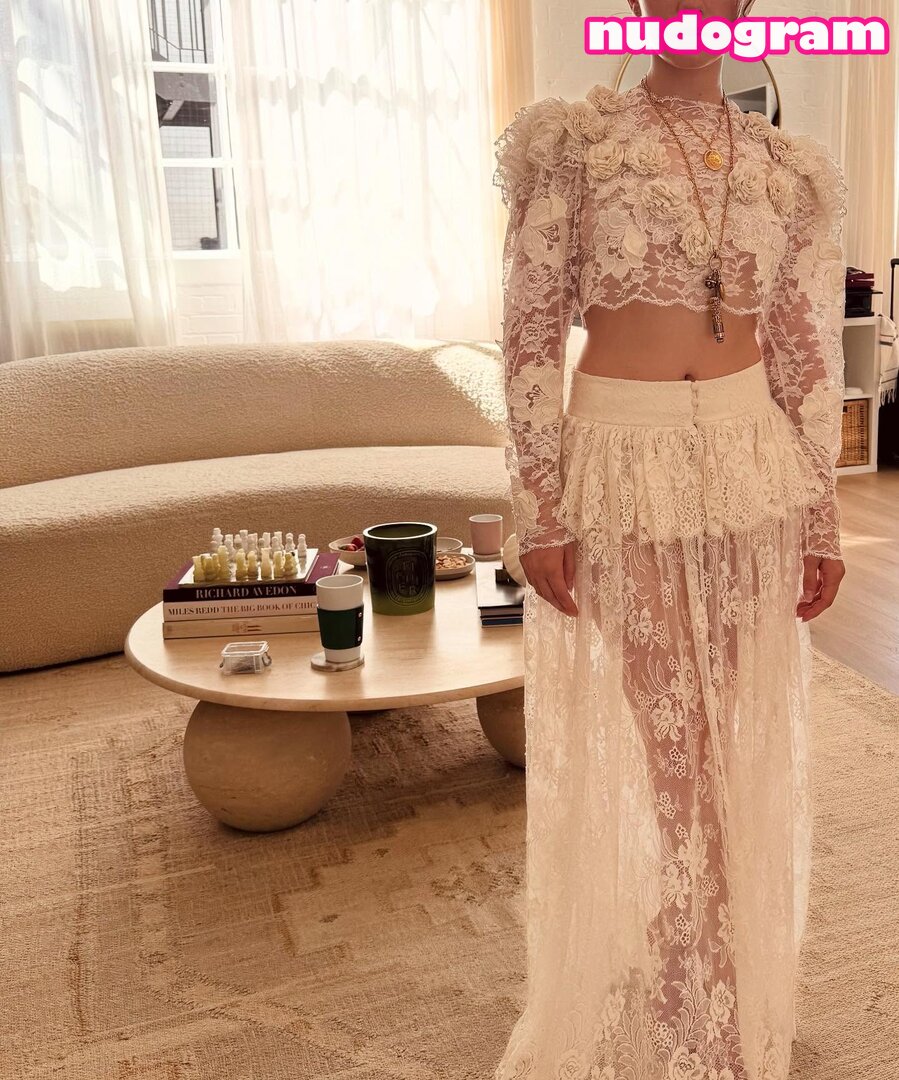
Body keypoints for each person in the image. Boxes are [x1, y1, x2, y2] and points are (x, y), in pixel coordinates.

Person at [491, 1, 848, 1078]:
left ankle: (695, 944)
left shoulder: (786, 165)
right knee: (674, 737)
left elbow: (803, 348)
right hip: (620, 462)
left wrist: (820, 513)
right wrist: (540, 505)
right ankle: (703, 977)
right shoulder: (572, 141)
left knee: (724, 729)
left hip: (748, 465)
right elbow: (526, 332)